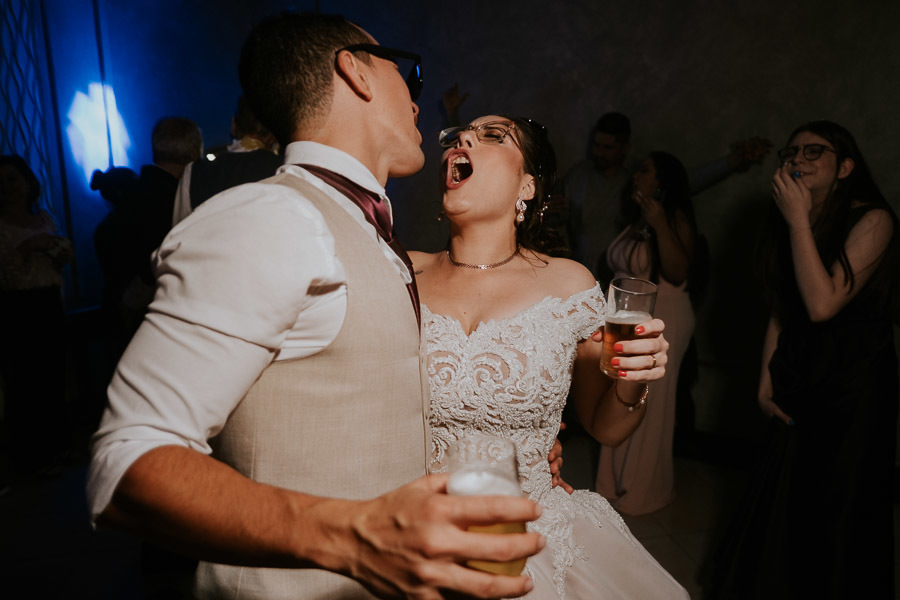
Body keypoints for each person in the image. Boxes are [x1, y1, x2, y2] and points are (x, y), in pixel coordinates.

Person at [87, 12, 544, 600]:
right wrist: (352, 538)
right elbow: (124, 462)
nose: (415, 102)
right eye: (408, 75)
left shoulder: (365, 230)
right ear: (355, 71)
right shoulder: (273, 217)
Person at [409, 115, 688, 598]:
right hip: (412, 527)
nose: (464, 139)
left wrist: (633, 380)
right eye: (458, 137)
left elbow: (605, 428)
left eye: (493, 136)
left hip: (526, 529)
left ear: (528, 185)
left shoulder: (569, 284)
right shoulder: (403, 273)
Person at [710, 120, 899, 599]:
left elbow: (822, 304)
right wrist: (764, 381)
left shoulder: (873, 219)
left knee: (839, 504)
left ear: (846, 167)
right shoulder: (795, 222)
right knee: (785, 499)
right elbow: (784, 307)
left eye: (815, 152)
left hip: (853, 385)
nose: (798, 159)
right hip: (800, 375)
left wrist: (798, 220)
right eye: (791, 152)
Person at [594, 152, 698, 515]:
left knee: (652, 400)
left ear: (662, 181)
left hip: (665, 314)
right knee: (621, 391)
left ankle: (644, 490)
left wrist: (661, 223)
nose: (635, 175)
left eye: (644, 170)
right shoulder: (634, 221)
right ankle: (612, 482)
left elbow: (678, 271)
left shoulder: (674, 217)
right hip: (626, 316)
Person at [562, 112, 771, 276]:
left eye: (607, 147)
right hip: (584, 274)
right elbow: (561, 222)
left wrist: (734, 160)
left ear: (625, 147)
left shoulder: (638, 176)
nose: (599, 152)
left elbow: (686, 180)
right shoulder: (577, 176)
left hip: (625, 282)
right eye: (596, 145)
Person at [0, 154, 73, 479]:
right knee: (24, 378)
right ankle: (29, 456)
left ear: (28, 183)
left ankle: (57, 446)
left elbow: (56, 266)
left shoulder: (44, 218)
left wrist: (60, 252)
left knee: (53, 373)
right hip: (17, 306)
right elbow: (7, 273)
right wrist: (30, 247)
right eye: (2, 181)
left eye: (13, 179)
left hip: (48, 301)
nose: (8, 187)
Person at [171, 96, 281, 226]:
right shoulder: (284, 169)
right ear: (274, 134)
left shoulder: (195, 171)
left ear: (233, 126)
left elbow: (178, 232)